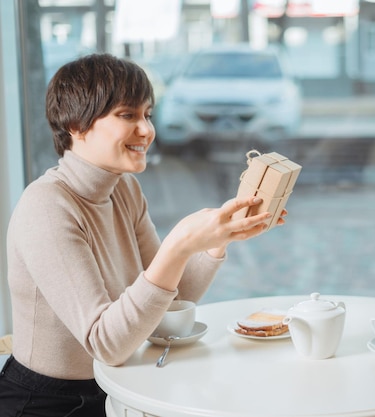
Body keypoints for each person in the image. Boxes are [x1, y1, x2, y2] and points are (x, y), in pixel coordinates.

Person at [0, 53, 282, 416]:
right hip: (46, 403)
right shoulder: (48, 206)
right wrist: (178, 246)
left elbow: (167, 302)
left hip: (116, 387)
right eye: (127, 115)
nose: (147, 130)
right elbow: (105, 343)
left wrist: (216, 242)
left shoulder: (124, 189)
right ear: (76, 124)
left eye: (147, 114)